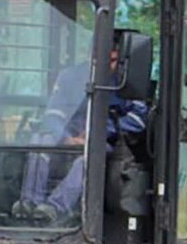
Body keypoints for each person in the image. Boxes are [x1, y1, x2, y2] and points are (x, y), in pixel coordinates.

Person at [12, 31, 150, 224]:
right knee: (40, 140)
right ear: (92, 55)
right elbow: (53, 114)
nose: (109, 66)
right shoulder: (70, 77)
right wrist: (66, 137)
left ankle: (54, 208)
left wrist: (98, 132)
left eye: (113, 60)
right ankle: (29, 203)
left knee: (88, 157)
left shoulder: (127, 81)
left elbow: (137, 120)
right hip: (68, 138)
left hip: (104, 141)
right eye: (103, 59)